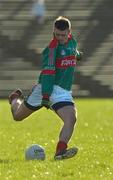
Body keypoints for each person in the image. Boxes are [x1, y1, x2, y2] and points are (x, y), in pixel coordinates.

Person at [9, 16, 82, 160]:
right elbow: (48, 74)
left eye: (63, 35)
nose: (60, 38)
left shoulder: (72, 42)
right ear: (53, 31)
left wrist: (77, 55)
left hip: (63, 92)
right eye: (56, 34)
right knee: (17, 116)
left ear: (69, 32)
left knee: (71, 118)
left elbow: (72, 50)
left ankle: (60, 151)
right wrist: (46, 97)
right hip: (45, 89)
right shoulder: (51, 50)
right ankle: (14, 99)